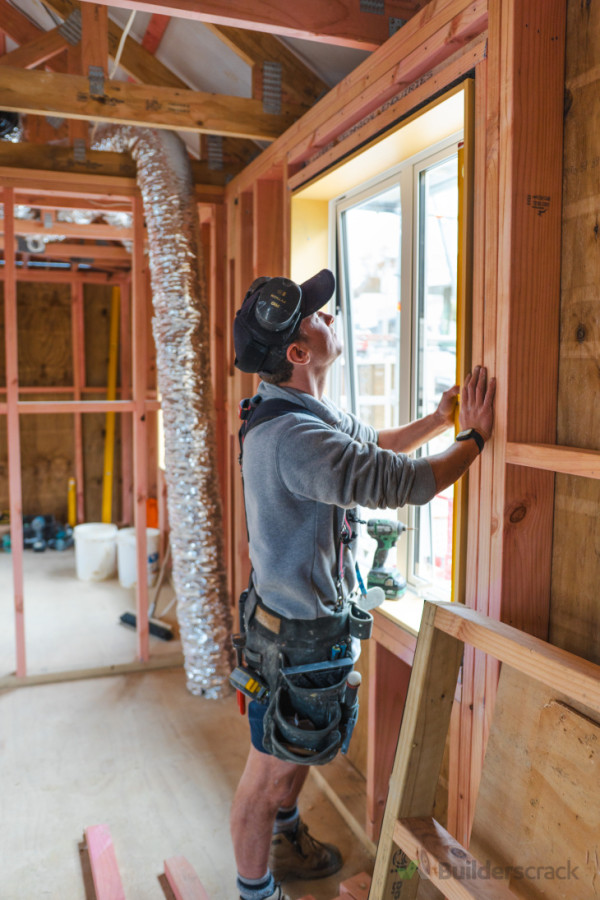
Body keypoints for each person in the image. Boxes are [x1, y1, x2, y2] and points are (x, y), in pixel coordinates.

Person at [230, 269, 495, 900]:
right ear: (297, 353)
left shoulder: (302, 410)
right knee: (262, 782)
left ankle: (288, 838)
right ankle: (253, 891)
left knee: (292, 761)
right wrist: (475, 438)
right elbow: (402, 483)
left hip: (307, 632)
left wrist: (436, 420)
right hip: (291, 643)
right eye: (317, 317)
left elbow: (375, 447)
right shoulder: (292, 436)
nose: (331, 317)